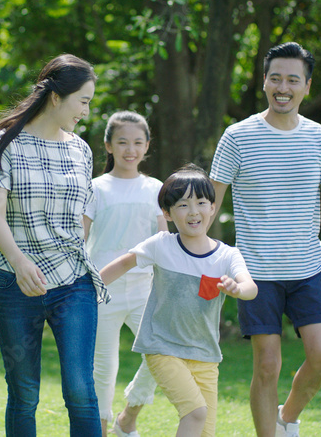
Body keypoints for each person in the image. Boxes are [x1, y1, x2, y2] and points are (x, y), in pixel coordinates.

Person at [208, 42, 321, 437]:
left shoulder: (319, 137)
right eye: (275, 78)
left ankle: (286, 416)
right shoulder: (237, 137)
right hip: (255, 273)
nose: (283, 87)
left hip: (308, 267)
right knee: (267, 365)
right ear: (264, 82)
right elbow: (210, 202)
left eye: (293, 80)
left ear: (306, 86)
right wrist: (190, 257)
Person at [0, 54, 106, 436]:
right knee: (24, 393)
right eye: (84, 100)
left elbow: (80, 216)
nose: (86, 111)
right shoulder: (6, 141)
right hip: (17, 282)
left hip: (74, 282)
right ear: (57, 97)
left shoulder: (81, 149)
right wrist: (20, 261)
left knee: (80, 390)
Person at [100, 164, 258, 437]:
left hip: (205, 355)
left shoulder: (227, 255)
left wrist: (238, 288)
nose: (193, 211)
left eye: (201, 202)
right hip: (163, 347)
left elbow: (251, 287)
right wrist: (85, 290)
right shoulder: (162, 245)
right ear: (168, 214)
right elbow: (124, 264)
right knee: (195, 413)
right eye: (183, 205)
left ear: (212, 208)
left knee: (205, 431)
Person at [83, 111, 168, 437]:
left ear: (146, 146)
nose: (130, 149)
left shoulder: (156, 188)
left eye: (137, 142)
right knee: (103, 369)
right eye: (122, 142)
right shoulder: (95, 188)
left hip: (146, 290)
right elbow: (80, 238)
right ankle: (101, 431)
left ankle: (128, 418)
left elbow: (164, 243)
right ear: (108, 145)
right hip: (102, 290)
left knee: (161, 353)